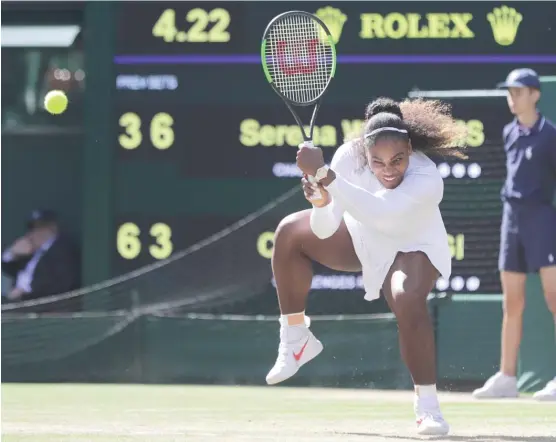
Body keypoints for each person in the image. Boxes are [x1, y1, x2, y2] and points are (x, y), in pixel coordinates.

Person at [266, 97, 467, 436]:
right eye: (378, 161)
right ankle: (296, 337)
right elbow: (326, 227)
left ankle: (428, 409)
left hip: (413, 246)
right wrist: (319, 201)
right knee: (289, 232)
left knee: (405, 298)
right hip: (364, 241)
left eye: (397, 160)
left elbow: (382, 213)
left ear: (409, 149)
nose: (389, 169)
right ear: (365, 152)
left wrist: (325, 176)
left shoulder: (427, 177)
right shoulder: (348, 156)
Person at [473, 69, 556, 401]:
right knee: (512, 302)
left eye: (519, 92)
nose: (513, 97)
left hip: (541, 218)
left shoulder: (550, 135)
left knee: (554, 298)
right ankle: (507, 378)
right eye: (510, 92)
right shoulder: (508, 132)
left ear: (535, 95)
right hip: (512, 220)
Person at [2, 209, 81, 307]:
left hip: (44, 308)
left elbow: (59, 284)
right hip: (18, 305)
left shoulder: (62, 249)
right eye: (33, 228)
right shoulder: (29, 252)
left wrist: (24, 291)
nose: (35, 233)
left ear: (52, 228)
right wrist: (12, 254)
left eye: (40, 228)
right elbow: (6, 271)